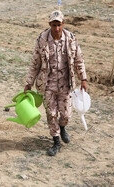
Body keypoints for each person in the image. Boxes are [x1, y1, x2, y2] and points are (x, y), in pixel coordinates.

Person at [24, 10, 87, 156]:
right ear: (49, 24)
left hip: (66, 84)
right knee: (51, 114)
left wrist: (83, 78)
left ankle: (63, 127)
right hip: (48, 84)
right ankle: (56, 142)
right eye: (54, 25)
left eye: (59, 25)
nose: (56, 28)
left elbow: (79, 60)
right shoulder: (42, 40)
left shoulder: (71, 39)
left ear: (63, 24)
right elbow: (35, 63)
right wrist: (29, 82)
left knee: (66, 115)